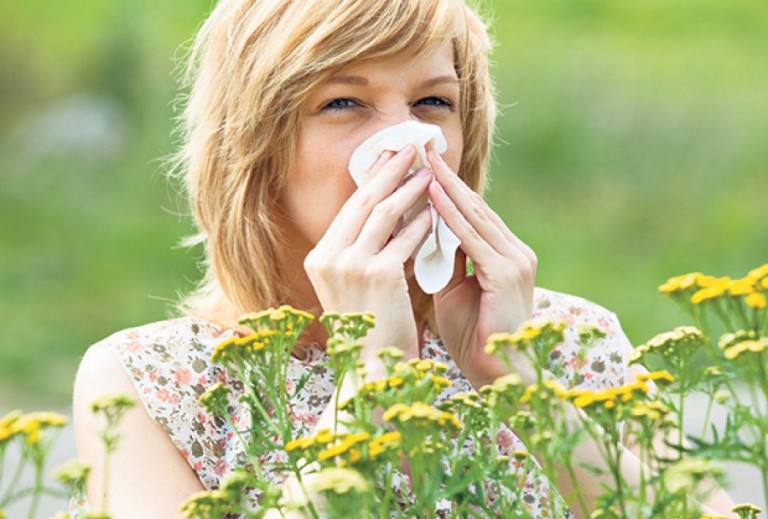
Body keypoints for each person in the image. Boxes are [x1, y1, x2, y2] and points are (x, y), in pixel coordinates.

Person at [72, 0, 735, 517]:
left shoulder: (569, 342)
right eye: (343, 103)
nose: (407, 143)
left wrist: (523, 384)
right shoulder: (151, 382)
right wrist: (372, 377)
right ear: (255, 147)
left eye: (431, 102)